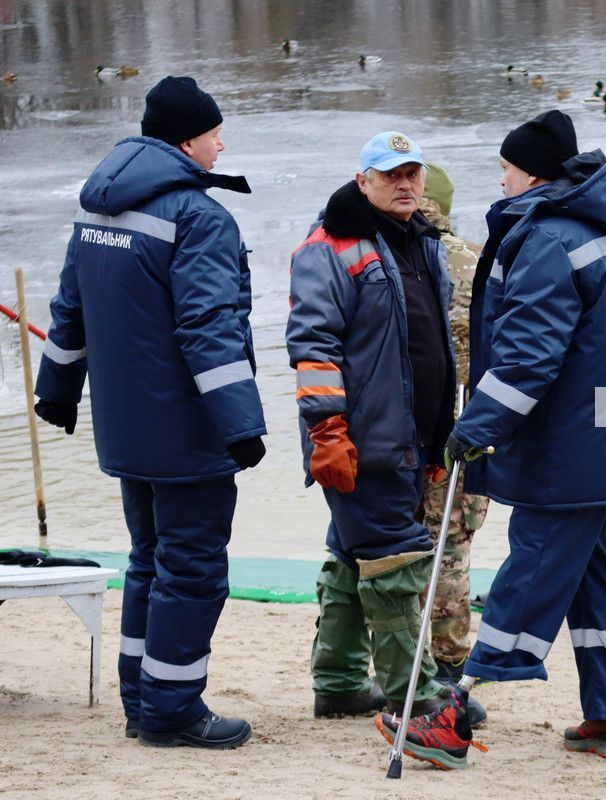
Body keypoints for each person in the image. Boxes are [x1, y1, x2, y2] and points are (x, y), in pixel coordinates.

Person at [376, 109, 606, 768]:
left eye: (504, 167)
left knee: (531, 567)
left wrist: (474, 428)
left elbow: (531, 356)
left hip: (570, 444)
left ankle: (454, 713)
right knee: (597, 574)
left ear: (531, 171)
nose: (498, 179)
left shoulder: (545, 239)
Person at [34, 75, 267, 749]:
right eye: (217, 132)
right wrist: (242, 424)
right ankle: (170, 709)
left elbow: (69, 311)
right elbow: (208, 328)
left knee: (149, 560)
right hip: (186, 431)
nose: (223, 144)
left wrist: (56, 389)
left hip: (125, 427)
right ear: (189, 139)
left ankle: (142, 698)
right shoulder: (199, 216)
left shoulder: (98, 209)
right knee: (192, 569)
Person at [285, 132, 457, 726]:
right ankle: (419, 697)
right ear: (364, 181)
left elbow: (432, 348)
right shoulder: (329, 247)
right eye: (391, 175)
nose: (405, 184)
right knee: (392, 562)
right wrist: (327, 431)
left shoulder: (422, 244)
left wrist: (439, 435)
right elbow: (312, 346)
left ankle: (336, 684)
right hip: (361, 443)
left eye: (412, 173)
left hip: (413, 441)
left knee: (350, 553)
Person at [416, 164, 490, 727]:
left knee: (381, 543)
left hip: (397, 423)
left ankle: (371, 664)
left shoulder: (378, 252)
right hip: (468, 421)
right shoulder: (478, 259)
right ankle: (443, 667)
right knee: (453, 547)